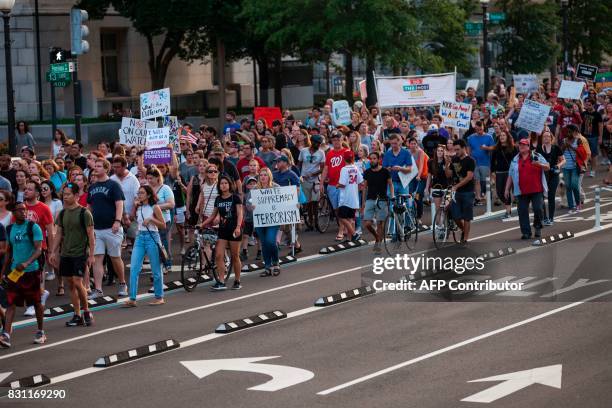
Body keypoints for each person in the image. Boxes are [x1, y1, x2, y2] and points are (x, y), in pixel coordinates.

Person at [49, 183, 95, 326]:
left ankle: (86, 311)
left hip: (80, 253)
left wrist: (91, 255)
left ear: (76, 196)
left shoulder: (84, 213)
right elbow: (58, 234)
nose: (65, 196)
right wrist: (53, 251)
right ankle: (77, 314)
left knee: (77, 282)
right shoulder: (62, 213)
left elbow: (91, 236)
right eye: (64, 194)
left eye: (68, 194)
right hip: (66, 254)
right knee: (70, 285)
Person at [0, 202, 44, 348]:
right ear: (13, 212)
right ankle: (6, 335)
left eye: (25, 210)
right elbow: (9, 251)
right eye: (20, 210)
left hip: (31, 271)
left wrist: (27, 262)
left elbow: (39, 250)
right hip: (15, 272)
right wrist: (3, 272)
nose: (23, 212)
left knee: (36, 302)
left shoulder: (33, 227)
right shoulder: (10, 228)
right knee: (11, 303)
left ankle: (40, 331)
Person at [87, 159, 128, 299]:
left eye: (99, 166)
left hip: (112, 228)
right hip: (96, 229)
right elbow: (89, 207)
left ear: (106, 169)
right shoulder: (92, 187)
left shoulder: (113, 185)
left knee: (115, 257)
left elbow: (119, 204)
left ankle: (122, 283)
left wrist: (117, 220)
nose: (95, 169)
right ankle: (98, 289)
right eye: (95, 166)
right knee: (97, 258)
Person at [124, 186, 167, 307]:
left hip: (152, 237)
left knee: (156, 269)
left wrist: (152, 219)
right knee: (134, 268)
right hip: (140, 237)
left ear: (148, 195)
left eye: (142, 193)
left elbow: (163, 225)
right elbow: (132, 218)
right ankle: (132, 298)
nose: (139, 194)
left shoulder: (155, 207)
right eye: (138, 192)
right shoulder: (139, 206)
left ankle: (159, 297)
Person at [201, 175, 243, 291]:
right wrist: (202, 224)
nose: (223, 185)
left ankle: (237, 280)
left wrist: (238, 227)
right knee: (219, 255)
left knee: (235, 256)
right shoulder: (218, 199)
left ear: (230, 184)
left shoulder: (235, 198)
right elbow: (213, 215)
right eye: (221, 183)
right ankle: (221, 281)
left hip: (234, 230)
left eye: (225, 183)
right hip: (223, 230)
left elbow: (240, 214)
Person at [505, 139, 550, 239]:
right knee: (522, 211)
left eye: (524, 145)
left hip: (536, 189)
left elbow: (547, 166)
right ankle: (526, 232)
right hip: (521, 190)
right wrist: (507, 189)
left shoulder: (536, 155)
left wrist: (539, 164)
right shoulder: (515, 159)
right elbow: (510, 175)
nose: (521, 146)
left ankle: (537, 227)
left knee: (538, 209)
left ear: (528, 146)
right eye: (520, 145)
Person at [252, 168, 283, 276]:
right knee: (264, 243)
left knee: (270, 241)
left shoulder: (276, 187)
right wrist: (251, 206)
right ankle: (267, 266)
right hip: (260, 221)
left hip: (273, 220)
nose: (263, 177)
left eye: (265, 175)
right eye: (261, 175)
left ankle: (275, 262)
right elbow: (248, 202)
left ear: (269, 176)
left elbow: (284, 201)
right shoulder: (255, 189)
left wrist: (294, 205)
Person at [361, 152, 393, 253]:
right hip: (370, 199)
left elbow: (390, 185)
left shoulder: (385, 171)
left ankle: (378, 244)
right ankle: (377, 237)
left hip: (382, 200)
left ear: (379, 160)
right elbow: (365, 188)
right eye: (370, 159)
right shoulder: (367, 172)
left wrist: (392, 196)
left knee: (380, 223)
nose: (372, 160)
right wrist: (363, 202)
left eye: (374, 158)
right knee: (367, 224)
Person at [321, 131, 351, 241]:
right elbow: (326, 168)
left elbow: (351, 167)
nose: (336, 141)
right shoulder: (329, 153)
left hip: (344, 185)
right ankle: (344, 227)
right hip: (332, 185)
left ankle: (341, 230)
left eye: (338, 139)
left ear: (342, 140)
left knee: (343, 208)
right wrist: (321, 183)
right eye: (334, 140)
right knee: (337, 210)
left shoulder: (347, 152)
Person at [445, 139, 475, 244]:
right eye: (455, 149)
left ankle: (465, 238)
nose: (456, 152)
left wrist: (456, 186)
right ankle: (463, 230)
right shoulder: (454, 159)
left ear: (464, 148)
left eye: (458, 149)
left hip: (468, 192)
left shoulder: (470, 161)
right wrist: (447, 164)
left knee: (467, 216)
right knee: (455, 215)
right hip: (457, 192)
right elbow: (448, 174)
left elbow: (469, 177)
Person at [146, 166, 175, 273]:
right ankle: (158, 263)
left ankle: (166, 263)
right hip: (150, 220)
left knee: (162, 242)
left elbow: (171, 204)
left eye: (151, 178)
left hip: (163, 219)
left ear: (158, 177)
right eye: (147, 178)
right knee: (152, 243)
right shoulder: (146, 188)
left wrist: (157, 207)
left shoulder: (165, 188)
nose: (149, 180)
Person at [273, 155, 302, 254]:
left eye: (279, 161)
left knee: (286, 226)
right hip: (277, 202)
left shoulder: (291, 174)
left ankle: (294, 245)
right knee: (284, 227)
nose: (277, 163)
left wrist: (296, 201)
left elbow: (297, 189)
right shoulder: (274, 174)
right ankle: (297, 245)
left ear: (285, 163)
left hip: (288, 203)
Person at [537, 130, 565, 225]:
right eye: (544, 136)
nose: (546, 138)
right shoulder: (539, 149)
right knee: (542, 196)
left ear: (551, 138)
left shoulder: (556, 148)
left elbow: (563, 160)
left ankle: (551, 218)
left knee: (551, 196)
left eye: (548, 136)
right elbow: (535, 160)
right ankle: (545, 218)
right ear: (542, 138)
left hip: (553, 174)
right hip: (543, 175)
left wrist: (558, 166)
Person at [560, 124, 588, 214]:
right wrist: (564, 146)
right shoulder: (564, 140)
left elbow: (583, 153)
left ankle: (578, 204)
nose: (568, 133)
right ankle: (571, 206)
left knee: (574, 185)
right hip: (565, 167)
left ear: (574, 132)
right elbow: (560, 152)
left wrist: (571, 146)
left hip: (575, 166)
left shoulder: (578, 140)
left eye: (569, 131)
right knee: (568, 186)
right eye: (567, 131)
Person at [337, 150, 363, 242]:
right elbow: (361, 181)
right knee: (350, 218)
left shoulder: (344, 169)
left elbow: (342, 184)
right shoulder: (355, 168)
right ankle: (350, 238)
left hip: (346, 198)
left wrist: (337, 185)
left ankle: (354, 234)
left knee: (342, 217)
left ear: (344, 159)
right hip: (354, 197)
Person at [467, 120, 495, 205]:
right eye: (477, 129)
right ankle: (478, 197)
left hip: (485, 162)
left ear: (483, 128)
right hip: (475, 163)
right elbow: (469, 149)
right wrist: (469, 159)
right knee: (477, 180)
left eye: (480, 129)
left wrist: (486, 148)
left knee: (485, 181)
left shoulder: (489, 137)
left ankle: (487, 194)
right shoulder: (471, 137)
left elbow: (493, 148)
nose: (479, 131)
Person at [491, 131, 518, 218]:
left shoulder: (513, 148)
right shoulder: (496, 148)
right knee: (499, 192)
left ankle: (508, 211)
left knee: (507, 192)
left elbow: (517, 160)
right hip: (499, 172)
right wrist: (492, 172)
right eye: (500, 135)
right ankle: (508, 205)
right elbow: (492, 161)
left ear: (507, 137)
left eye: (504, 135)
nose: (502, 137)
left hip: (509, 173)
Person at [581, 98, 603, 177]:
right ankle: (584, 168)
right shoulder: (583, 113)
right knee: (584, 153)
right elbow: (580, 124)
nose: (588, 106)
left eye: (589, 105)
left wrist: (600, 137)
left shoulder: (597, 114)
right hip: (584, 136)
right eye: (586, 105)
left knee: (594, 154)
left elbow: (600, 126)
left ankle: (593, 170)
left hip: (594, 137)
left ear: (593, 105)